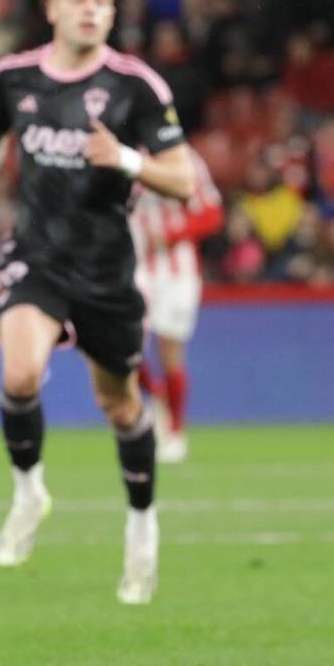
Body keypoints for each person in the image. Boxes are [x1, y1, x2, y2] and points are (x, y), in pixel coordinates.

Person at [0, 0, 196, 605]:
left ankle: (142, 524)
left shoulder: (135, 86)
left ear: (112, 15)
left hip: (108, 269)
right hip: (37, 258)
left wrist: (129, 159)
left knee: (120, 405)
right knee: (20, 376)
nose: (91, 8)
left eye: (103, 0)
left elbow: (185, 180)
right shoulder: (14, 77)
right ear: (52, 10)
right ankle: (29, 492)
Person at [130, 150, 223, 464]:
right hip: (132, 267)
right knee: (126, 348)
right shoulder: (120, 156)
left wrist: (173, 234)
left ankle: (174, 429)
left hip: (177, 271)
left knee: (170, 351)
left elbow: (212, 212)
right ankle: (157, 397)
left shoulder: (186, 160)